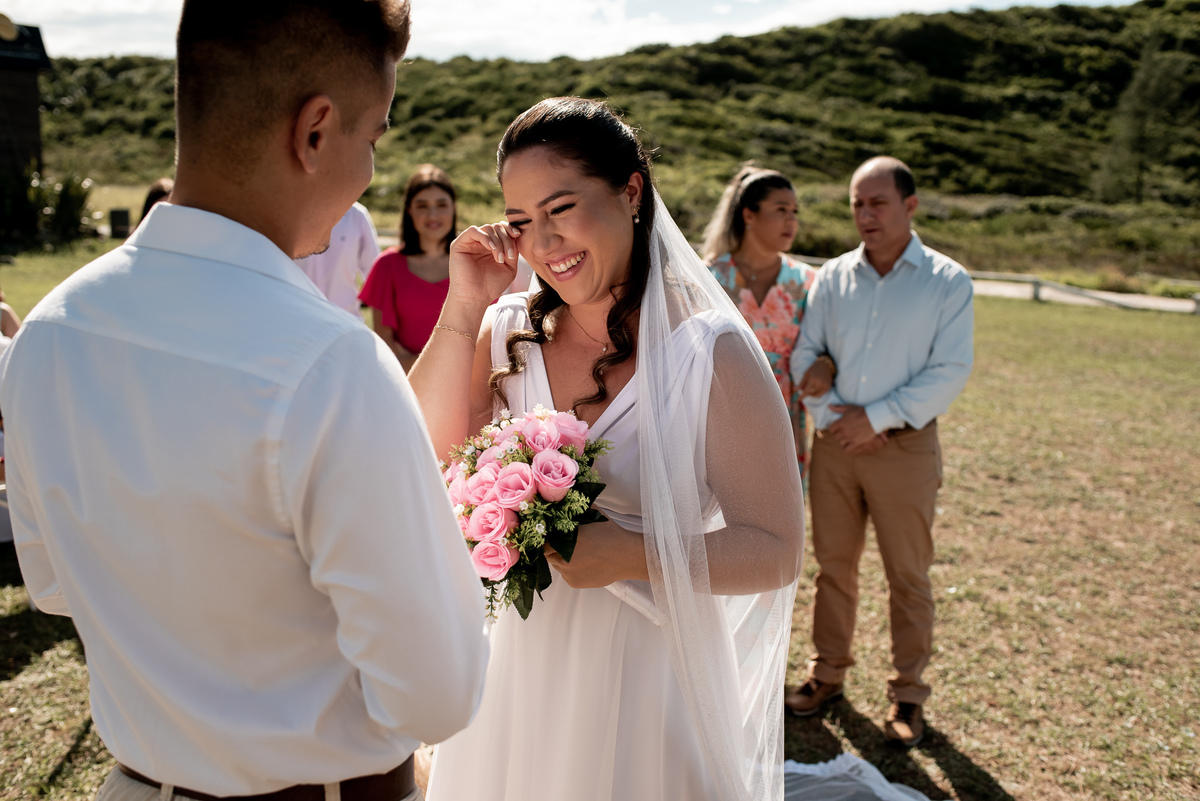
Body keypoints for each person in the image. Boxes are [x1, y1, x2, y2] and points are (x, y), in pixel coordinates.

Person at [0, 3, 489, 800]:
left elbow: (52, 586)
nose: (371, 168)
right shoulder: (334, 365)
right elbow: (437, 692)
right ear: (315, 131)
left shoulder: (49, 332)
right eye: (375, 136)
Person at [409, 98, 806, 801]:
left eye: (562, 207)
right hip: (515, 667)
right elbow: (425, 457)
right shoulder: (506, 332)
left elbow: (775, 548)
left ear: (631, 191)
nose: (545, 241)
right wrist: (463, 305)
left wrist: (627, 551)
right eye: (524, 220)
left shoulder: (708, 354)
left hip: (646, 673)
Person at [786, 156, 974, 747]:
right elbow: (804, 353)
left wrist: (878, 418)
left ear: (910, 206)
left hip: (906, 449)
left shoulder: (948, 281)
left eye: (877, 203)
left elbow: (951, 370)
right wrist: (836, 419)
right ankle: (827, 675)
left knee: (908, 575)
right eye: (856, 205)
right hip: (837, 445)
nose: (865, 215)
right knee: (833, 570)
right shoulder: (833, 276)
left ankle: (908, 695)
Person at [703, 162, 828, 478]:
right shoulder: (709, 278)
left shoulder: (806, 281)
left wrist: (828, 363)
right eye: (781, 209)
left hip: (785, 416)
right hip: (721, 413)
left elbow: (827, 345)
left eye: (795, 212)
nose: (791, 220)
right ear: (749, 215)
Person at [359, 164, 456, 369]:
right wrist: (444, 363)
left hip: (467, 388)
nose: (432, 215)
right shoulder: (387, 265)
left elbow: (486, 342)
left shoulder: (474, 263)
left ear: (453, 207)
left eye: (441, 204)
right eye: (422, 205)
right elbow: (385, 350)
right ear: (409, 210)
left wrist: (415, 361)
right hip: (407, 386)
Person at [294, 201, 381, 316]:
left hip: (346, 321)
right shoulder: (288, 212)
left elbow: (376, 277)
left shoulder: (356, 215)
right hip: (298, 320)